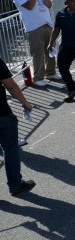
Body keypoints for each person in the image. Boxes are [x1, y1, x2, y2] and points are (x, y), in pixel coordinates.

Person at [12, 0, 58, 87]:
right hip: (34, 27)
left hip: (47, 25)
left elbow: (49, 5)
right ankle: (38, 78)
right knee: (38, 53)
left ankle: (51, 73)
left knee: (50, 50)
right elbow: (29, 6)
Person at [0, 57, 36, 196]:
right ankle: (15, 184)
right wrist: (25, 103)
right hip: (1, 115)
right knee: (10, 149)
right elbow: (11, 85)